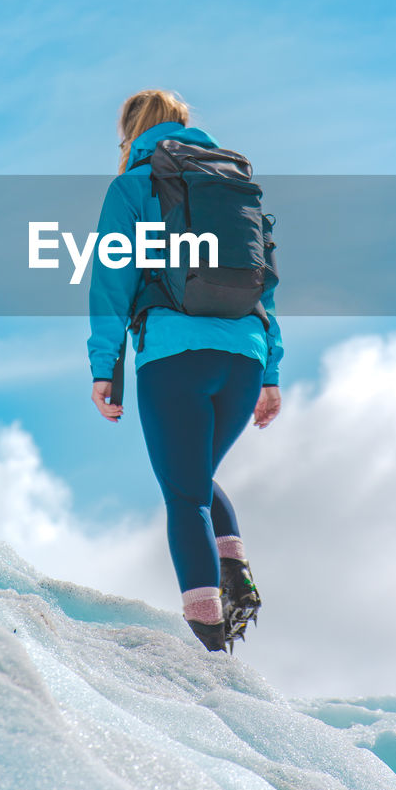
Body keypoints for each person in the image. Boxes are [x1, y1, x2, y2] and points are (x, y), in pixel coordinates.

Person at [88, 89, 283, 653]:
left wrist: (106, 367)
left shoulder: (133, 186)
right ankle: (234, 571)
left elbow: (111, 280)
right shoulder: (234, 185)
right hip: (243, 358)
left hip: (175, 357)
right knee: (193, 479)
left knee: (184, 496)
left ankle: (208, 640)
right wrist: (269, 372)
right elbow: (266, 285)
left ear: (132, 134)